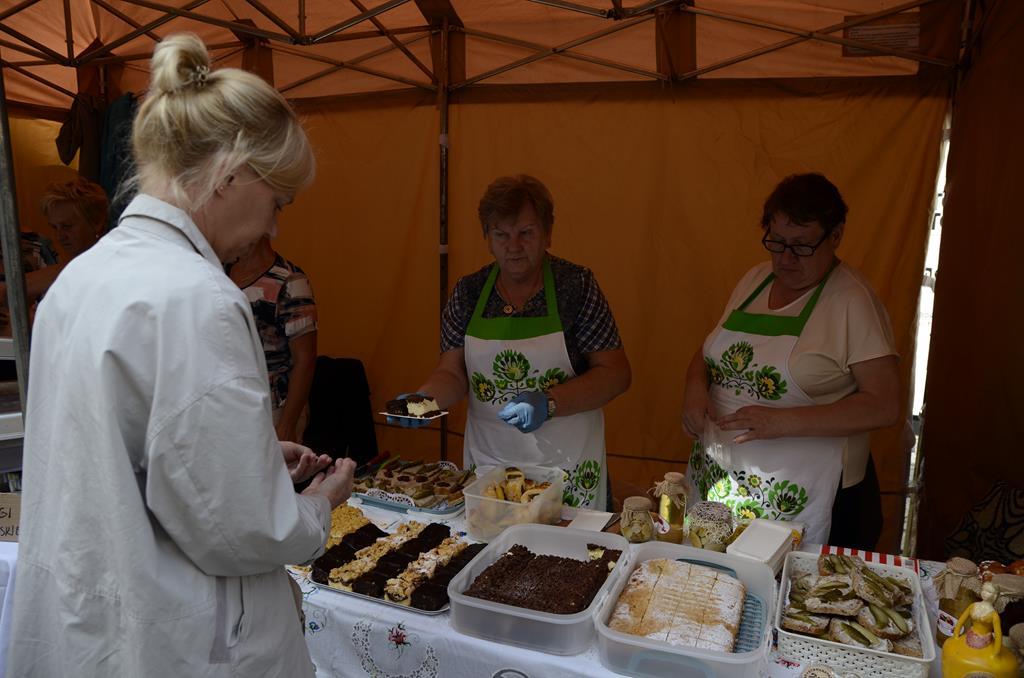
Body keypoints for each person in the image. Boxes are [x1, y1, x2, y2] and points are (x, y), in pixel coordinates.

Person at [8, 33, 355, 678]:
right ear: (232, 172)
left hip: (89, 619)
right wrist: (318, 507)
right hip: (175, 641)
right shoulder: (201, 298)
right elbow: (242, 529)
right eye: (277, 201)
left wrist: (248, 455)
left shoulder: (80, 279)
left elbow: (130, 454)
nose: (273, 227)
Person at [682, 173, 899, 547]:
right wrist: (694, 389)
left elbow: (885, 405)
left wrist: (783, 421)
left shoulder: (853, 301)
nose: (785, 258)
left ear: (835, 236)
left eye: (801, 246)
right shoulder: (755, 280)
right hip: (725, 480)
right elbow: (710, 350)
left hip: (813, 491)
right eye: (776, 241)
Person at [391, 175, 631, 510]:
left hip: (568, 468)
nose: (513, 246)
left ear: (547, 233)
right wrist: (425, 402)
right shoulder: (468, 292)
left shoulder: (576, 287)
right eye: (501, 234)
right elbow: (452, 372)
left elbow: (616, 374)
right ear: (487, 239)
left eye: (525, 233)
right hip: (491, 466)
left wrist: (549, 402)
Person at [228, 235, 318, 443]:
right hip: (228, 406)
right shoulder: (219, 272)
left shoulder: (290, 281)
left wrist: (287, 426)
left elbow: (305, 360)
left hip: (272, 408)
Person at [0, 178, 106, 336]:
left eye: (67, 226)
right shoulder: (62, 267)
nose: (60, 235)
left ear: (96, 222)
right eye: (54, 227)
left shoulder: (104, 267)